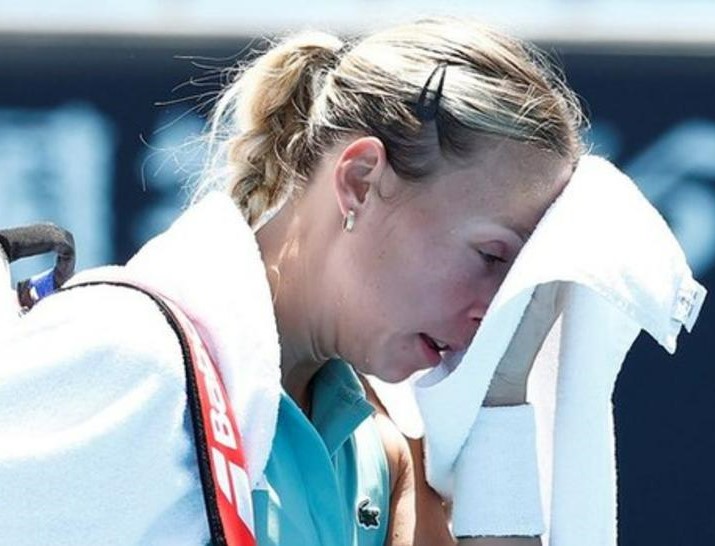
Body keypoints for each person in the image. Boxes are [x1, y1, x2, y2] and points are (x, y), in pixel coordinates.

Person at [0, 16, 585, 546]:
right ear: (359, 181)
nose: (495, 307)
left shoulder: (380, 450)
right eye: (489, 255)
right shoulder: (124, 352)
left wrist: (500, 404)